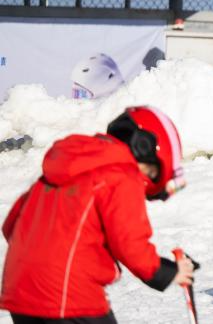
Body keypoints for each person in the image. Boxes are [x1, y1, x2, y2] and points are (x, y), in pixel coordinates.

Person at [1, 105, 195, 324]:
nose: (146, 180)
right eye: (150, 171)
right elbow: (130, 243)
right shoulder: (122, 174)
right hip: (71, 297)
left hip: (20, 292)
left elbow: (11, 225)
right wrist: (169, 272)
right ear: (142, 148)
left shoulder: (61, 171)